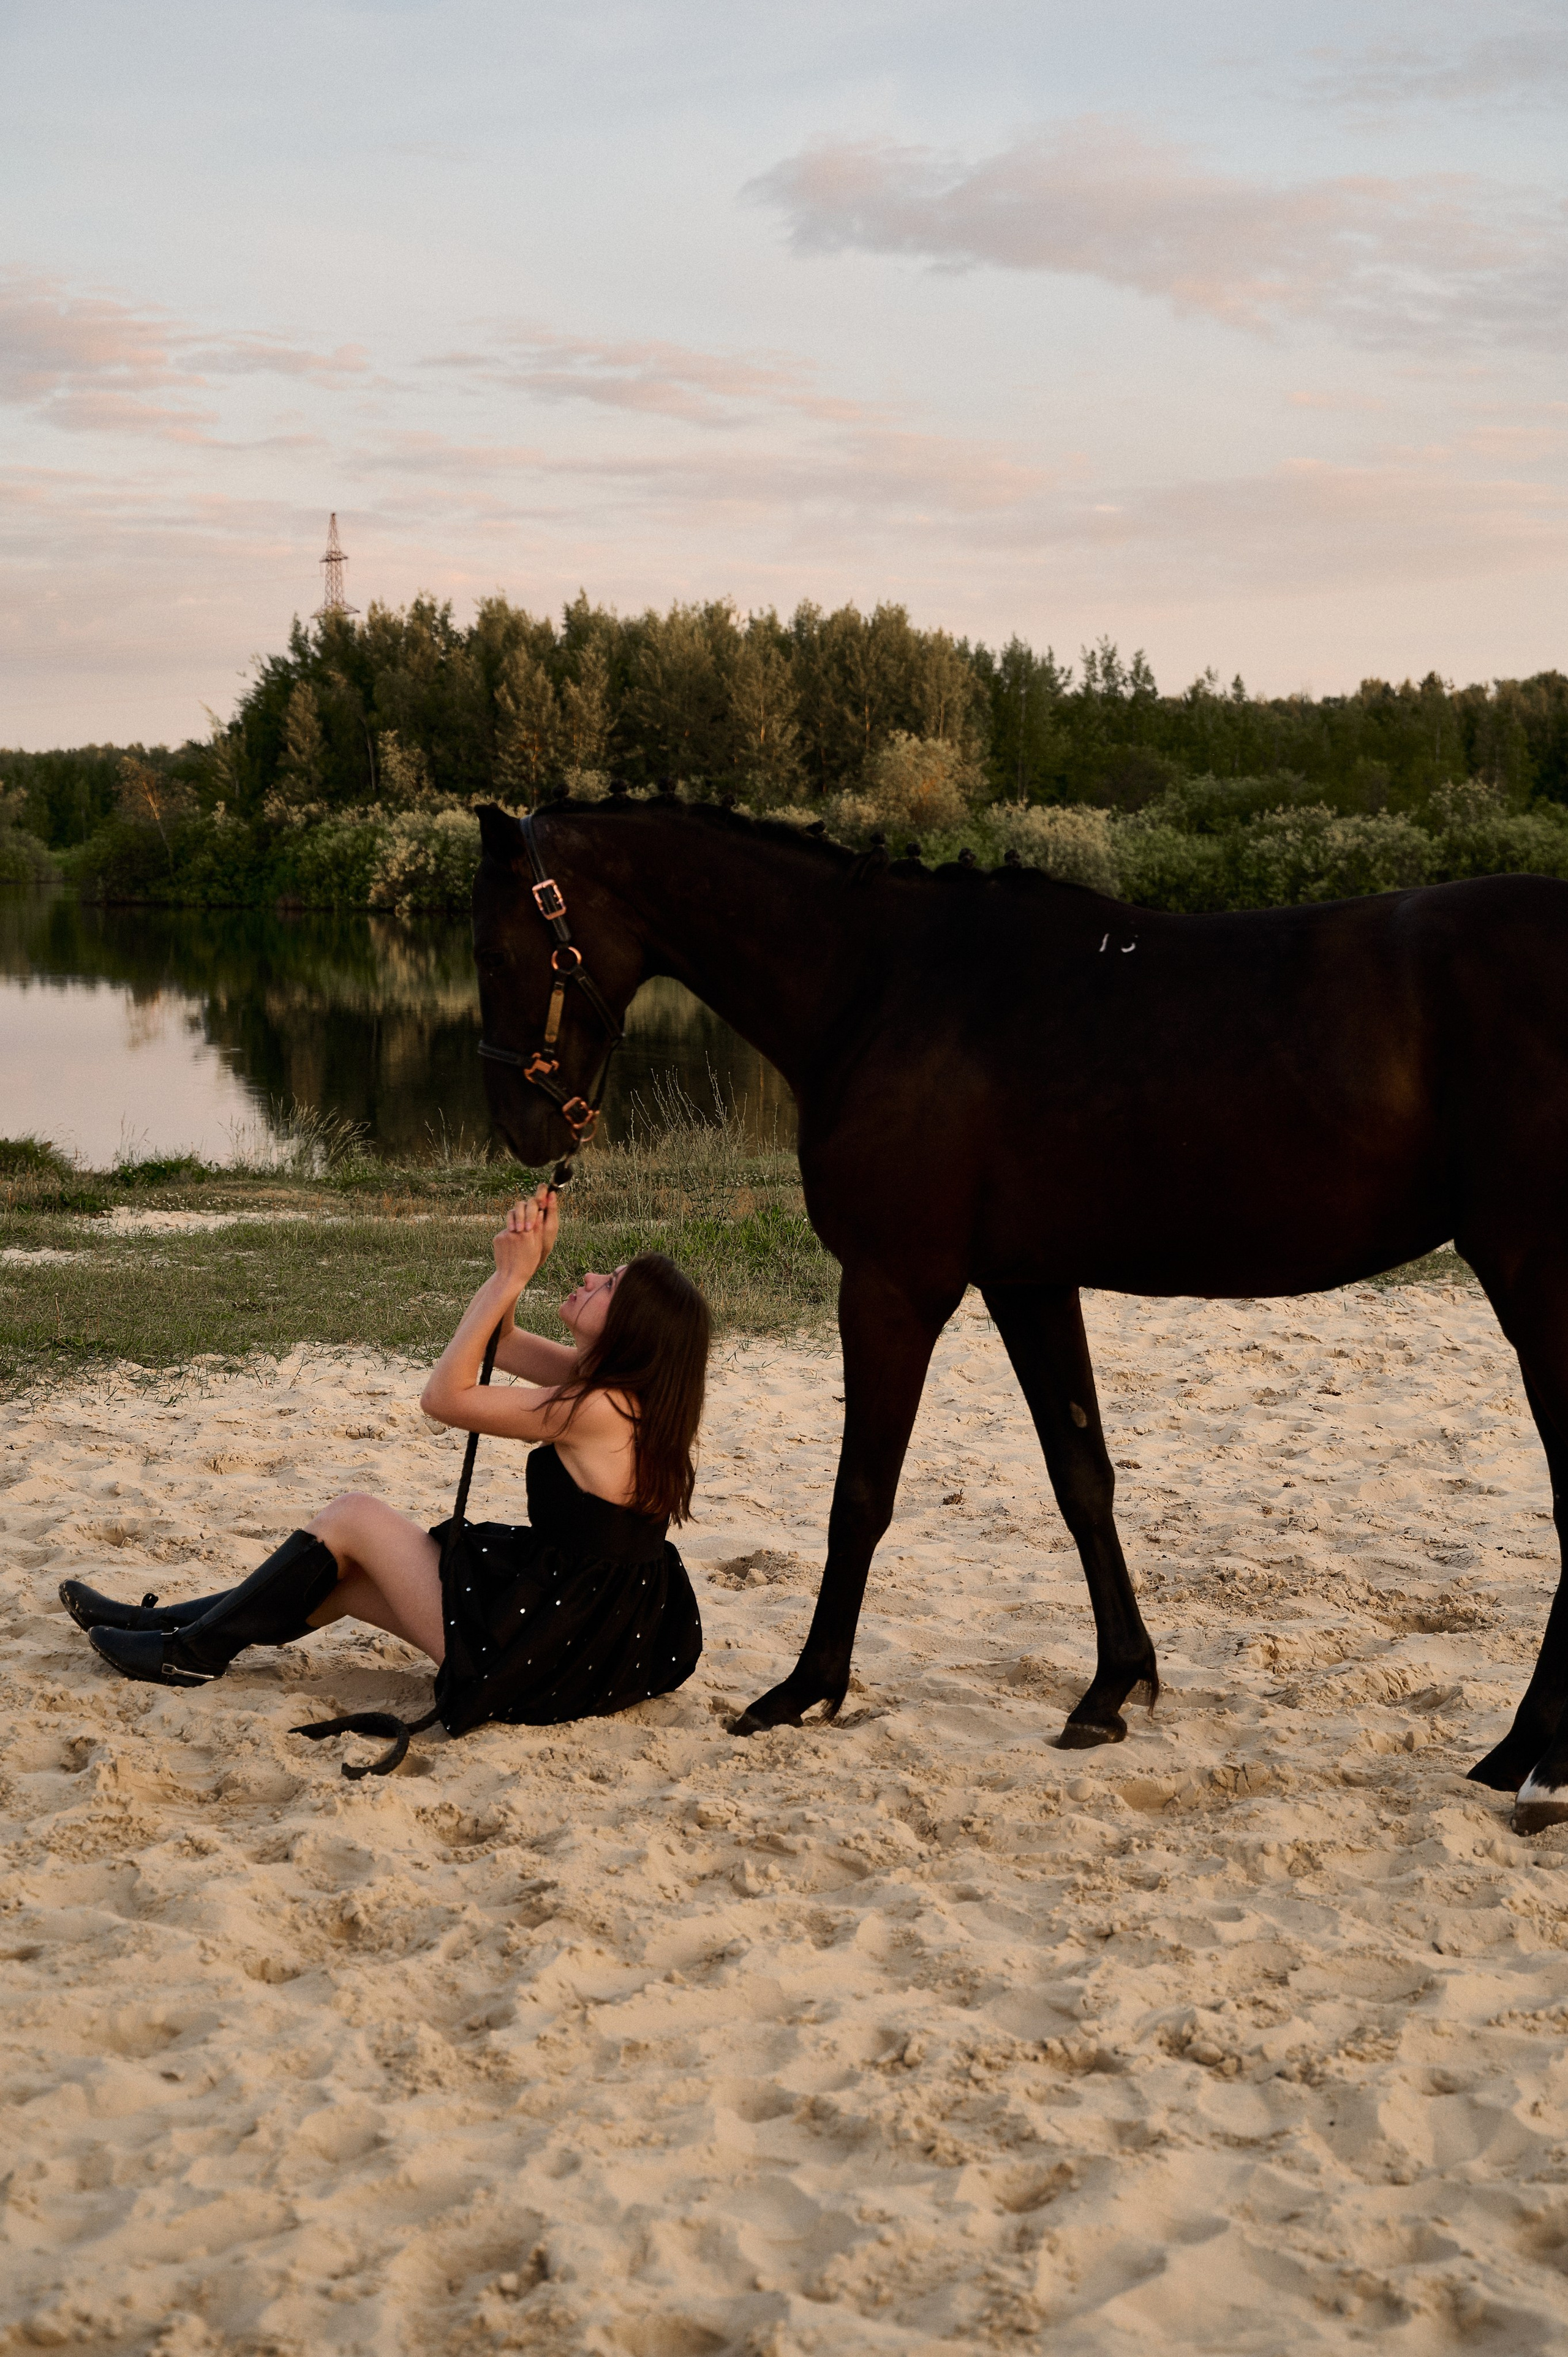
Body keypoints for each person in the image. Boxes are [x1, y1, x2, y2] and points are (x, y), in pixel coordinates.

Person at [64, 1186, 709, 1756]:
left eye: (610, 1284)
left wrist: (512, 1280)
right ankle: (171, 1630)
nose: (591, 1274)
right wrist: (516, 1267)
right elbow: (501, 1343)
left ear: (631, 1329)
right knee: (344, 1579)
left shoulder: (594, 1407)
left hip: (547, 1645)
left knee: (354, 1515)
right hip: (582, 1627)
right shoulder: (615, 1390)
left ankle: (189, 1654)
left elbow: (444, 1399)